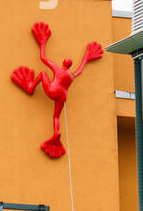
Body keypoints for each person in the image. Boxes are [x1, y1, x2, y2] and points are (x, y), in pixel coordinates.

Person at [11, 21, 103, 158]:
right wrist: (87, 58)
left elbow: (43, 58)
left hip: (53, 91)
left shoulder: (58, 69)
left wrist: (42, 43)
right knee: (55, 116)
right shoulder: (71, 75)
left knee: (42, 74)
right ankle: (56, 133)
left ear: (63, 64)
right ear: (70, 65)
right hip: (63, 97)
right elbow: (80, 71)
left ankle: (31, 87)